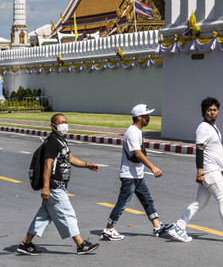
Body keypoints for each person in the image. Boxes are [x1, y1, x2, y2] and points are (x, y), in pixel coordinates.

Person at [167, 97, 223, 243]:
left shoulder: (213, 127)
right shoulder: (203, 128)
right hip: (210, 171)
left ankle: (179, 226)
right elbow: (199, 150)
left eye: (215, 110)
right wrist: (200, 171)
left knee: (200, 202)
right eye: (209, 110)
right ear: (203, 112)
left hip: (212, 170)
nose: (212, 113)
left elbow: (215, 149)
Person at [17, 113, 100, 256]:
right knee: (67, 214)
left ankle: (26, 243)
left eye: (65, 122)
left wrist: (87, 165)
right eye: (61, 123)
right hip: (55, 187)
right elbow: (47, 165)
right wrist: (46, 187)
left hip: (59, 186)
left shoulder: (61, 141)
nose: (64, 125)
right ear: (53, 126)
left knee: (43, 217)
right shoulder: (52, 143)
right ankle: (81, 244)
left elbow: (70, 158)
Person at [101, 104, 173, 241]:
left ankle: (157, 226)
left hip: (137, 175)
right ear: (139, 117)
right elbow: (138, 154)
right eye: (146, 115)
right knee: (122, 203)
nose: (149, 118)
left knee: (147, 200)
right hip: (129, 176)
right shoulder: (132, 132)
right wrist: (153, 167)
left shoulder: (137, 131)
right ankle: (108, 229)